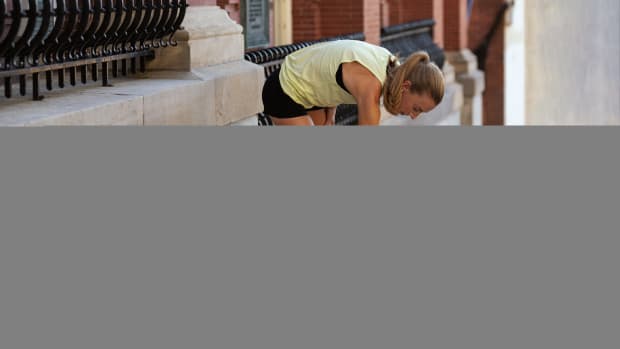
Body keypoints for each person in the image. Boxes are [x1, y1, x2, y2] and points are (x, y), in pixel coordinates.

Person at [261, 39, 445, 126]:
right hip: (283, 89)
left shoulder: (391, 66)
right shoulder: (372, 85)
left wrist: (330, 111)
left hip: (309, 92)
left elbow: (331, 66)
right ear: (406, 87)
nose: (413, 116)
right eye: (417, 108)